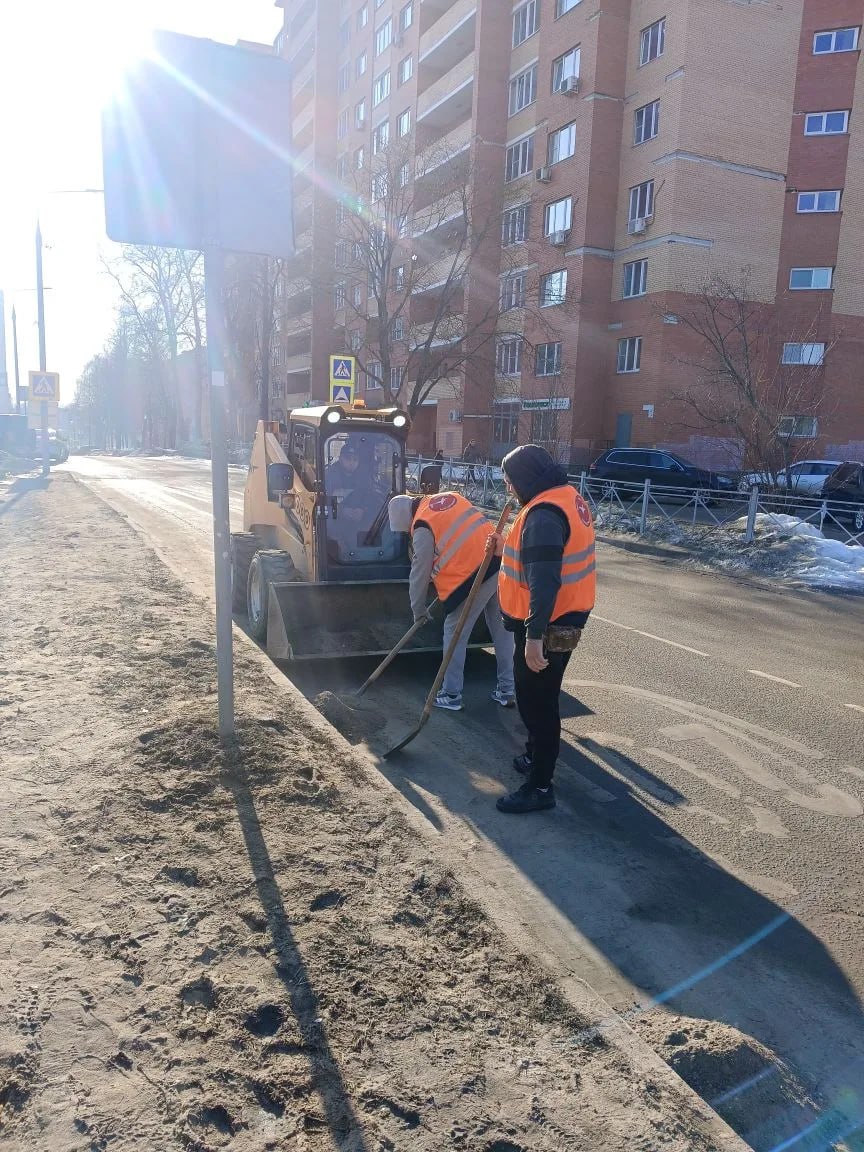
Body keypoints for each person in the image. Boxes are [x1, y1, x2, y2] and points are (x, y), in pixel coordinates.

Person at [491, 444, 596, 814]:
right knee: (539, 698)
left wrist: (534, 639)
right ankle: (535, 755)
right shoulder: (563, 498)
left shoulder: (543, 516)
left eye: (509, 481)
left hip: (548, 624)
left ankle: (539, 787)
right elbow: (540, 558)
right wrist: (505, 547)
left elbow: (546, 581)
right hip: (561, 617)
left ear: (524, 479)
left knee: (538, 703)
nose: (508, 489)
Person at [388, 491, 515, 711]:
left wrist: (418, 609)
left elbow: (420, 571)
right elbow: (460, 537)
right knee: (502, 630)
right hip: (496, 563)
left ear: (406, 520)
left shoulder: (421, 525)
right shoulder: (448, 497)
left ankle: (451, 693)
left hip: (473, 576)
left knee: (454, 632)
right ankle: (507, 689)